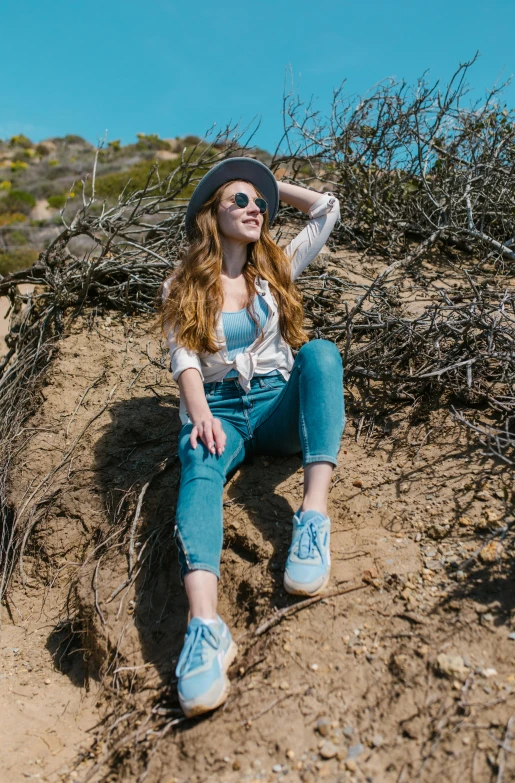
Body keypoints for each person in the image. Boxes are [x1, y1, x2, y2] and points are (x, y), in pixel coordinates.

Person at [159, 157, 345, 717]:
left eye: (258, 203)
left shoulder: (276, 269)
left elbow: (326, 209)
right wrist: (200, 416)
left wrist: (266, 183)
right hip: (221, 411)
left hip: (276, 404)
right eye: (237, 201)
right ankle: (204, 628)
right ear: (210, 215)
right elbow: (183, 357)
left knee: (320, 355)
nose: (254, 208)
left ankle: (312, 519)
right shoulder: (182, 283)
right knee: (196, 450)